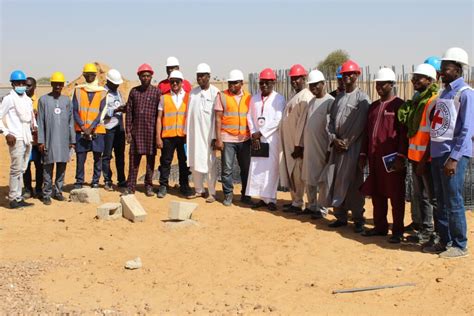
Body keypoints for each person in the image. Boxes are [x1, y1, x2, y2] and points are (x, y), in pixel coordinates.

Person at [424, 47, 474, 258]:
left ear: (458, 69)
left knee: (453, 199)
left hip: (453, 155)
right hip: (438, 153)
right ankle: (445, 240)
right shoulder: (444, 93)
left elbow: (467, 129)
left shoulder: (466, 93)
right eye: (442, 68)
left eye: (446, 67)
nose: (442, 71)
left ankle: (459, 244)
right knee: (440, 200)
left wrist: (454, 158)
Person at [318, 60, 370, 233]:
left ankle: (357, 218)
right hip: (337, 147)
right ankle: (340, 216)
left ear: (357, 75)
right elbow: (330, 122)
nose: (347, 77)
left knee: (353, 183)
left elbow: (360, 124)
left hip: (352, 148)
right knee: (334, 180)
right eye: (345, 74)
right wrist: (334, 139)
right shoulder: (338, 98)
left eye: (351, 74)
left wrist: (346, 142)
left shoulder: (362, 99)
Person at [359, 68, 407, 243]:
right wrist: (363, 154)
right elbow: (367, 133)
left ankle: (398, 231)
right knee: (377, 193)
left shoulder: (400, 106)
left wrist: (401, 157)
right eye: (377, 84)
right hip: (374, 159)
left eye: (383, 84)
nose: (379, 87)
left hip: (392, 160)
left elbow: (403, 134)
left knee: (396, 195)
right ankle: (380, 227)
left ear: (392, 84)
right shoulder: (373, 107)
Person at [397, 63, 439, 243]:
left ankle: (432, 231)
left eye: (418, 78)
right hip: (415, 157)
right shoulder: (417, 100)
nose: (414, 81)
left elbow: (433, 134)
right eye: (413, 77)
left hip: (425, 159)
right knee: (419, 195)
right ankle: (424, 229)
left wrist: (423, 160)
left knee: (430, 198)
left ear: (429, 80)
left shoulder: (432, 101)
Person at [246, 68, 285, 211]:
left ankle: (271, 199)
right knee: (258, 168)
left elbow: (278, 119)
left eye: (267, 83)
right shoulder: (254, 98)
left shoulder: (279, 98)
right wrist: (254, 133)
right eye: (262, 83)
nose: (264, 86)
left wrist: (261, 133)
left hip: (271, 139)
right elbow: (249, 116)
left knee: (271, 169)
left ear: (273, 82)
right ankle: (262, 198)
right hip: (257, 139)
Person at [214, 69, 252, 206]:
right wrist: (219, 139)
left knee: (246, 168)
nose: (232, 86)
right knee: (227, 169)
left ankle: (246, 195)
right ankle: (228, 194)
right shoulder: (222, 96)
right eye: (230, 83)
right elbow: (218, 119)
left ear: (241, 83)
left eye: (235, 83)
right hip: (227, 138)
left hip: (244, 139)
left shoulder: (248, 97)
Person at [37, 72, 75, 205]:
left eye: (60, 84)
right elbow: (40, 122)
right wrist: (41, 140)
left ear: (63, 85)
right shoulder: (43, 100)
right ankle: (46, 193)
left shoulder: (66, 101)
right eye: (56, 83)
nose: (58, 86)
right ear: (51, 84)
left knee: (62, 166)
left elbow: (71, 122)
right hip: (49, 140)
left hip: (64, 140)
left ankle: (58, 191)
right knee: (47, 167)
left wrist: (72, 140)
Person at [279, 64, 313, 214]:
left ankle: (299, 202)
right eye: (292, 79)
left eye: (297, 78)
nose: (294, 81)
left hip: (296, 145)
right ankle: (295, 201)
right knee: (293, 174)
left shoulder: (306, 96)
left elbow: (303, 124)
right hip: (289, 144)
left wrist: (299, 146)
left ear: (304, 78)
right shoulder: (295, 96)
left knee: (299, 175)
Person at [301, 70, 334, 219]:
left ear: (323, 84)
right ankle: (312, 205)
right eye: (311, 85)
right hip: (310, 147)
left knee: (322, 180)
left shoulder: (330, 102)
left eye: (316, 85)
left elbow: (331, 128)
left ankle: (322, 209)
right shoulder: (312, 102)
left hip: (322, 147)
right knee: (309, 177)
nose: (313, 87)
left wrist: (329, 150)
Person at [0, 70, 35, 209]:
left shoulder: (26, 98)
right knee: (16, 169)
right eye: (18, 83)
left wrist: (35, 127)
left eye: (23, 83)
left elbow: (30, 116)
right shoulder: (9, 98)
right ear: (13, 84)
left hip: (27, 137)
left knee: (22, 168)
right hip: (16, 138)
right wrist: (6, 133)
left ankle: (19, 196)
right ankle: (13, 198)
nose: (21, 85)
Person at [124, 63, 161, 196]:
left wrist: (158, 135)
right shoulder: (134, 91)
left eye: (148, 76)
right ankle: (131, 186)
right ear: (139, 76)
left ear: (151, 77)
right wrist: (128, 131)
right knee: (133, 161)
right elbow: (129, 112)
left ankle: (149, 186)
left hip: (151, 132)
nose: (145, 78)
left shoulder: (157, 92)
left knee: (150, 162)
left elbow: (159, 115)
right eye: (143, 75)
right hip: (136, 132)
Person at [186, 63, 220, 202]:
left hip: (208, 137)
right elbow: (188, 114)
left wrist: (215, 137)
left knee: (210, 163)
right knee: (194, 163)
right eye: (198, 76)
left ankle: (212, 192)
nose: (199, 78)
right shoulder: (192, 93)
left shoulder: (215, 92)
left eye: (202, 76)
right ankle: (199, 190)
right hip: (194, 135)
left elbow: (217, 117)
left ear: (209, 76)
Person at [156, 70, 193, 198]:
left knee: (184, 162)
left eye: (177, 81)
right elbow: (159, 118)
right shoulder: (164, 98)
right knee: (165, 162)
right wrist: (158, 137)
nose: (175, 83)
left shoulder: (189, 97)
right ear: (169, 82)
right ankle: (163, 186)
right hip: (168, 136)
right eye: (172, 81)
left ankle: (184, 185)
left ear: (182, 82)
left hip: (183, 137)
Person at [72, 63, 107, 189]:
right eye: (87, 75)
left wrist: (91, 128)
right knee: (80, 157)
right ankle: (79, 181)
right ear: (84, 75)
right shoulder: (77, 91)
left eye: (92, 75)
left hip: (97, 130)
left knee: (98, 157)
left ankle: (95, 181)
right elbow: (74, 110)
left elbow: (102, 112)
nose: (90, 77)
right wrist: (83, 127)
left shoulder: (102, 92)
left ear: (95, 75)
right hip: (81, 131)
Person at [102, 69, 126, 191]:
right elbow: (101, 113)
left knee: (120, 155)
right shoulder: (103, 93)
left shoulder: (118, 93)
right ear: (108, 81)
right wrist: (116, 110)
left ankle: (121, 180)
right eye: (114, 83)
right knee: (106, 156)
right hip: (108, 128)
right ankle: (107, 180)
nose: (117, 85)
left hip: (119, 128)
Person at [23, 77, 43, 199]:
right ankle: (28, 189)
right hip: (25, 139)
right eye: (25, 85)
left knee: (39, 166)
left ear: (35, 87)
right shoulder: (20, 101)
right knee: (26, 166)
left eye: (29, 85)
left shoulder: (40, 102)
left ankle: (39, 189)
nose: (26, 88)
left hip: (37, 140)